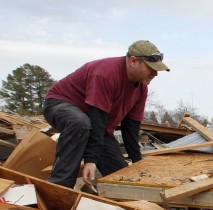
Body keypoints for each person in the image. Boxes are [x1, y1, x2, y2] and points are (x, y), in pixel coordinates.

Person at [43, 40, 170, 189]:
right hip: (60, 105)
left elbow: (131, 129)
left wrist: (138, 163)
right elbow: (97, 118)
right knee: (80, 123)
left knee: (120, 175)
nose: (155, 74)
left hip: (95, 123)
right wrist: (91, 160)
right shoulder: (106, 74)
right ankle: (58, 189)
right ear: (133, 61)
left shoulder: (141, 89)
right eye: (151, 68)